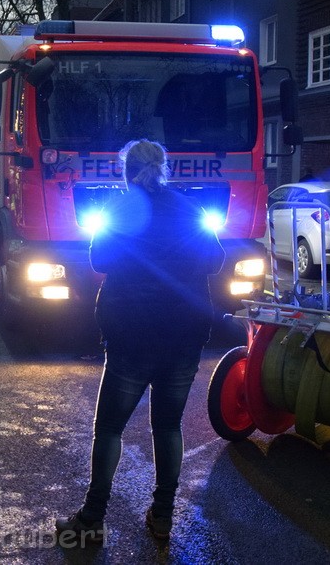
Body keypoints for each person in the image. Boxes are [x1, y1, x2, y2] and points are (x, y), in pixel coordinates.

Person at [55, 139, 225, 544]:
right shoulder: (189, 208)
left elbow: (99, 261)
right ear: (163, 168)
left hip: (131, 333)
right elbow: (215, 261)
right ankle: (163, 515)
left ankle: (92, 518)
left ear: (126, 170)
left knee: (110, 428)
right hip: (183, 334)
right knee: (168, 427)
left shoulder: (119, 210)